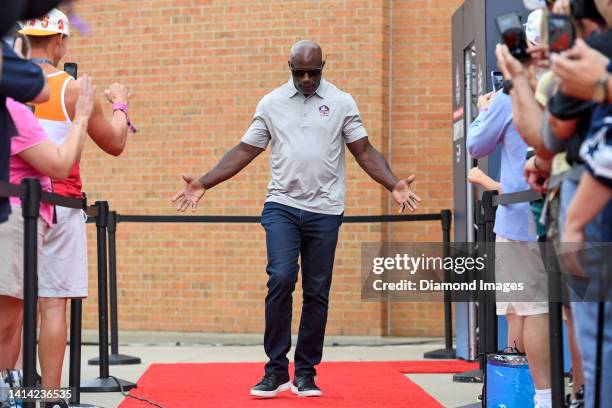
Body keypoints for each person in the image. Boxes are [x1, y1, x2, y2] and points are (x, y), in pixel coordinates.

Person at [172, 40, 421, 398]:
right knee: (281, 278)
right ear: (288, 66)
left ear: (323, 66)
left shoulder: (341, 102)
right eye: (299, 72)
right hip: (282, 207)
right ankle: (275, 370)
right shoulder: (272, 103)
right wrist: (204, 182)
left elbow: (363, 150)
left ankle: (305, 373)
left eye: (313, 72)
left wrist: (392, 183)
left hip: (325, 211)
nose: (306, 79)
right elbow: (246, 149)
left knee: (317, 293)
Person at [19, 8, 133, 399]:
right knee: (53, 306)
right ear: (58, 42)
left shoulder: (9, 86)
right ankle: (48, 398)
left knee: (16, 305)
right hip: (62, 203)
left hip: (19, 205)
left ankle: (16, 394)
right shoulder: (70, 89)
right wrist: (120, 104)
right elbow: (115, 143)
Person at [0, 32, 95, 375]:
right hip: (24, 216)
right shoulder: (14, 110)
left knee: (15, 316)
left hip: (32, 213)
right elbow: (58, 164)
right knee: (14, 319)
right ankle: (40, 395)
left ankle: (21, 392)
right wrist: (83, 115)